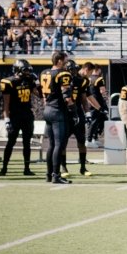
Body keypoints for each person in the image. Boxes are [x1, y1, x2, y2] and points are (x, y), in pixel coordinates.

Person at [38, 51, 75, 184]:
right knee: (59, 144)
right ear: (59, 60)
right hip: (58, 111)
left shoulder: (44, 73)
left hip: (48, 109)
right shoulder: (63, 74)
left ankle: (49, 174)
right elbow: (67, 96)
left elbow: (42, 94)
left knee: (52, 145)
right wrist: (73, 111)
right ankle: (56, 175)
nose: (67, 62)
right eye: (65, 59)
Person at [0, 59, 38, 176]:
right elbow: (6, 103)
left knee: (27, 143)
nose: (27, 72)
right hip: (14, 116)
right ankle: (4, 168)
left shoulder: (29, 80)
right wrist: (6, 120)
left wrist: (37, 82)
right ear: (17, 70)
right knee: (11, 142)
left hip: (27, 115)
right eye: (24, 70)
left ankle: (27, 168)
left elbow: (40, 94)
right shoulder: (9, 82)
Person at [84, 63, 108, 148]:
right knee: (95, 121)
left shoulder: (88, 78)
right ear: (98, 70)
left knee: (100, 120)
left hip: (90, 102)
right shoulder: (99, 79)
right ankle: (89, 139)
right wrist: (106, 99)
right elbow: (102, 91)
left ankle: (95, 138)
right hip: (98, 103)